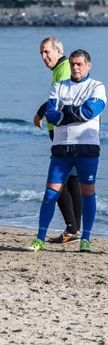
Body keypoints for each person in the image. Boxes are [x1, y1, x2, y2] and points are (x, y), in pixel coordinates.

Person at [28, 49, 105, 253]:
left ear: (88, 65)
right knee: (50, 193)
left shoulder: (97, 87)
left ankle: (85, 239)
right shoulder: (59, 86)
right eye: (72, 64)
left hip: (87, 148)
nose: (75, 67)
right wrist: (72, 112)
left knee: (87, 192)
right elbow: (52, 115)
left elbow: (91, 111)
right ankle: (39, 238)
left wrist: (65, 112)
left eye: (79, 64)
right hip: (61, 149)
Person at [31, 37, 82, 243]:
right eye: (41, 54)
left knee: (57, 182)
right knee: (72, 181)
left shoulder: (64, 68)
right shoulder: (59, 69)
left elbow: (60, 98)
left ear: (58, 50)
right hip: (66, 132)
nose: (44, 57)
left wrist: (40, 112)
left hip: (64, 134)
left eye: (46, 52)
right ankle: (74, 230)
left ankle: (72, 228)